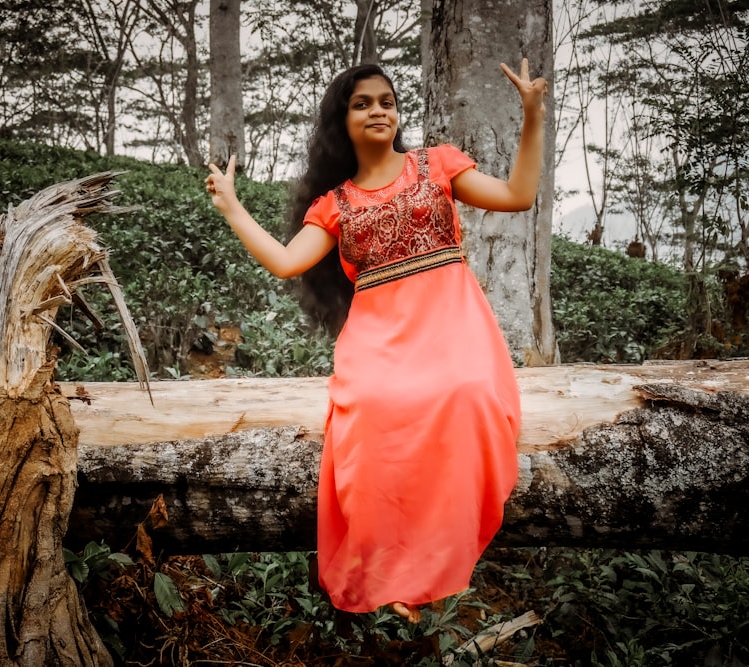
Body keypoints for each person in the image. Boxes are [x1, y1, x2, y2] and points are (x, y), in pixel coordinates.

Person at [206, 57, 548, 624]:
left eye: (386, 101)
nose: (377, 111)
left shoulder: (437, 165)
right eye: (362, 104)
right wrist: (234, 207)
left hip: (452, 328)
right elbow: (288, 263)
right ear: (341, 121)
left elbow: (517, 195)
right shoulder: (334, 205)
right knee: (368, 413)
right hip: (378, 340)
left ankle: (436, 562)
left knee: (470, 396)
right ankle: (390, 576)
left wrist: (532, 114)